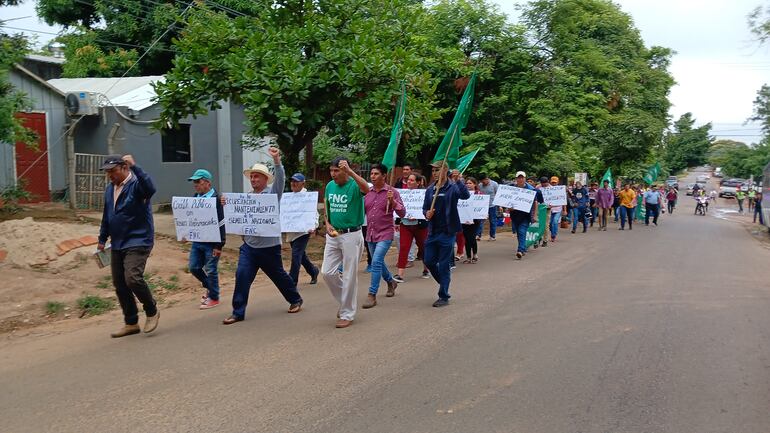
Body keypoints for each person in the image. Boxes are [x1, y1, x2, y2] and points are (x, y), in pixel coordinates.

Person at [222, 147, 303, 325]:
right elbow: (239, 218)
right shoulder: (247, 198)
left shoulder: (272, 195)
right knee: (242, 275)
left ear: (266, 179)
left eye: (257, 176)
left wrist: (277, 161)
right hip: (249, 248)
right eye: (251, 176)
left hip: (269, 248)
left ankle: (295, 299)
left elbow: (280, 179)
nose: (253, 179)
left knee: (279, 276)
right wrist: (226, 204)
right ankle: (238, 312)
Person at [97, 154, 159, 338]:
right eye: (107, 172)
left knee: (132, 277)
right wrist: (102, 238)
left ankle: (151, 310)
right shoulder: (110, 189)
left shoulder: (137, 186)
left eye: (113, 171)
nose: (110, 175)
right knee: (120, 283)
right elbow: (107, 215)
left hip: (138, 240)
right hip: (118, 242)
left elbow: (151, 188)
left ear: (125, 168)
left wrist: (136, 166)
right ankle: (131, 322)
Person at [322, 157, 369, 328]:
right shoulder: (329, 186)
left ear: (345, 171)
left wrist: (350, 172)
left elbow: (367, 189)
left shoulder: (355, 185)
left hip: (351, 235)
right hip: (333, 235)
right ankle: (346, 302)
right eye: (331, 171)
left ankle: (347, 313)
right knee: (327, 272)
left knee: (349, 275)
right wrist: (327, 224)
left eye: (336, 171)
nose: (333, 175)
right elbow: (327, 209)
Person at [423, 161, 470, 307]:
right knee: (429, 261)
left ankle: (443, 295)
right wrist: (427, 214)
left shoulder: (453, 187)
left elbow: (465, 195)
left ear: (445, 170)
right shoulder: (430, 189)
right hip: (433, 231)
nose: (434, 173)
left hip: (448, 232)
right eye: (433, 171)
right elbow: (424, 208)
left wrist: (459, 180)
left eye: (437, 170)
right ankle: (444, 282)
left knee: (444, 264)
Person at [362, 163, 405, 309]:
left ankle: (372, 294)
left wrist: (393, 201)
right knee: (377, 261)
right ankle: (391, 281)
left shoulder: (392, 192)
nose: (372, 176)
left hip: (386, 233)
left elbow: (402, 213)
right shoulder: (367, 192)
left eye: (376, 174)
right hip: (371, 233)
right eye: (372, 174)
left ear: (384, 176)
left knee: (376, 261)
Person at [187, 168, 226, 310]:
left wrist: (219, 245)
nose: (195, 184)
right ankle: (210, 288)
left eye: (198, 181)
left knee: (211, 269)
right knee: (194, 267)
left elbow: (222, 223)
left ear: (207, 183)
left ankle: (214, 297)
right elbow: (191, 219)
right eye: (194, 182)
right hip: (197, 241)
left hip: (212, 243)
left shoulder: (217, 199)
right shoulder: (195, 198)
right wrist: (186, 233)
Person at [285, 173, 320, 287]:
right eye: (292, 181)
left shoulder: (308, 198)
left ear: (303, 183)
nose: (293, 183)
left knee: (296, 255)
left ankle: (292, 282)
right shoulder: (288, 197)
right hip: (291, 231)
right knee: (300, 255)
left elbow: (315, 214)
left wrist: (313, 226)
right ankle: (313, 271)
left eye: (296, 181)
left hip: (303, 232)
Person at [394, 173, 429, 283]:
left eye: (412, 180)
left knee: (423, 248)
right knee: (404, 247)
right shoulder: (401, 193)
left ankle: (426, 269)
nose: (409, 182)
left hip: (420, 226)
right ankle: (400, 274)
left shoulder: (425, 194)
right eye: (408, 180)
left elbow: (427, 208)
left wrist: (419, 214)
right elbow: (398, 208)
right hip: (405, 224)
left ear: (418, 183)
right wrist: (397, 221)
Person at [510, 171, 539, 259]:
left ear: (525, 178)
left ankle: (520, 250)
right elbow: (507, 202)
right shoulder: (511, 189)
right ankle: (523, 248)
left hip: (526, 215)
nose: (520, 179)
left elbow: (535, 202)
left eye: (522, 177)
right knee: (519, 232)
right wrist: (509, 208)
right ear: (516, 179)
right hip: (514, 214)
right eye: (519, 177)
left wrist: (535, 215)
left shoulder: (531, 190)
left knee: (522, 231)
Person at [461, 177, 482, 263]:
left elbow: (482, 206)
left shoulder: (479, 194)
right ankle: (468, 257)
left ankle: (475, 254)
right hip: (464, 219)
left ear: (475, 184)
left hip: (475, 219)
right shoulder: (462, 194)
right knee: (466, 238)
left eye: (470, 183)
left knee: (472, 237)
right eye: (467, 183)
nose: (468, 185)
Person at [476, 173, 499, 241]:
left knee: (492, 221)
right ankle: (478, 235)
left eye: (483, 181)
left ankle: (492, 236)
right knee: (480, 220)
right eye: (481, 181)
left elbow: (498, 194)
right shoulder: (480, 185)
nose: (483, 183)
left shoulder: (494, 184)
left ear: (487, 178)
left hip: (492, 205)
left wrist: (499, 205)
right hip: (483, 206)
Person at [547, 176, 564, 242]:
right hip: (550, 209)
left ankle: (553, 235)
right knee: (550, 223)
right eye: (552, 182)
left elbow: (564, 200)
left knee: (555, 222)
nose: (554, 183)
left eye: (555, 182)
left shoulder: (560, 189)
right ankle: (553, 231)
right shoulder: (548, 189)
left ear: (558, 182)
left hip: (558, 209)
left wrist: (565, 210)